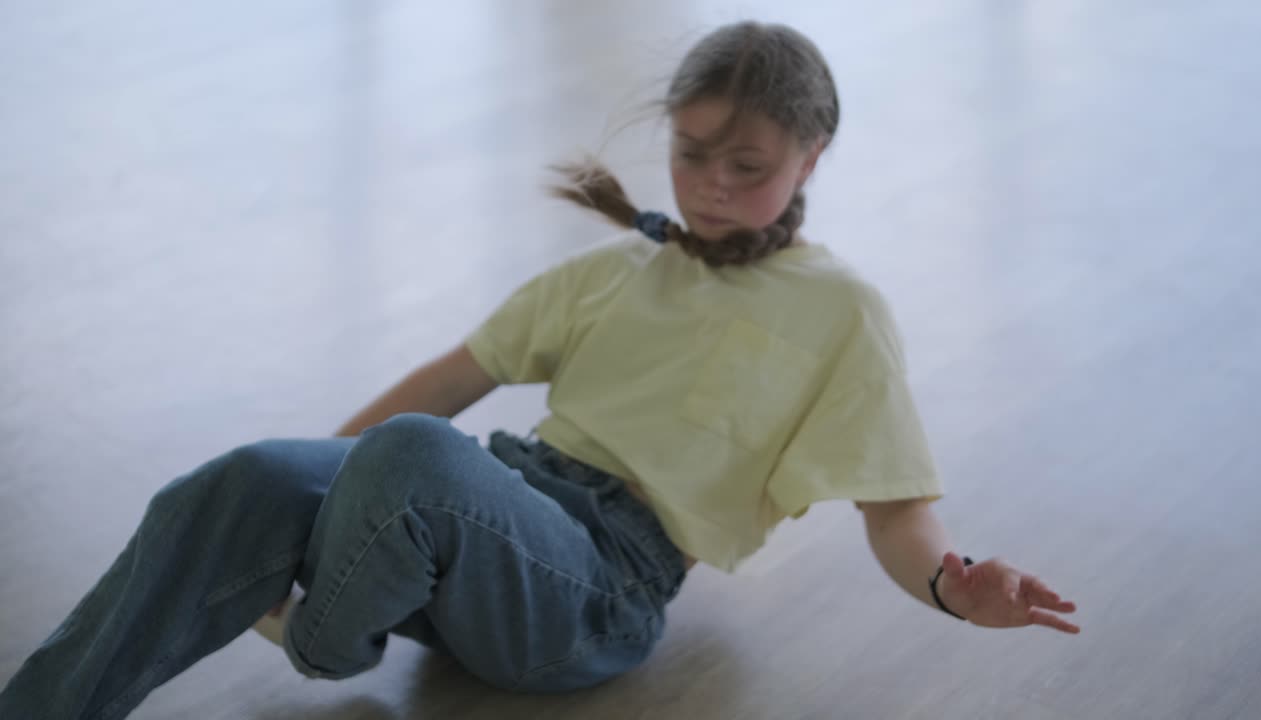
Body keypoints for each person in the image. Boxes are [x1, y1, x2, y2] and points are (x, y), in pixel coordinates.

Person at [0, 20, 1079, 720]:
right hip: (472, 521)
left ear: (811, 158)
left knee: (411, 460)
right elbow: (448, 379)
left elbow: (895, 514)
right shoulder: (618, 271)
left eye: (742, 166)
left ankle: (328, 629)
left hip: (593, 594)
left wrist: (953, 584)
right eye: (690, 153)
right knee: (239, 478)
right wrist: (313, 490)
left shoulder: (842, 312)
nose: (707, 183)